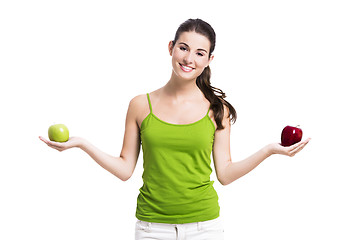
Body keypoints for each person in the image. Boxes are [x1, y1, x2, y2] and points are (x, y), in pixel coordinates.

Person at [40, 18, 310, 240]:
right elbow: (125, 169)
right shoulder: (140, 105)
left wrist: (269, 150)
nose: (189, 58)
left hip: (205, 226)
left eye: (199, 53)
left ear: (209, 59)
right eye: (183, 47)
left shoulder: (218, 110)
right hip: (151, 227)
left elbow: (225, 174)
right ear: (170, 47)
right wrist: (81, 143)